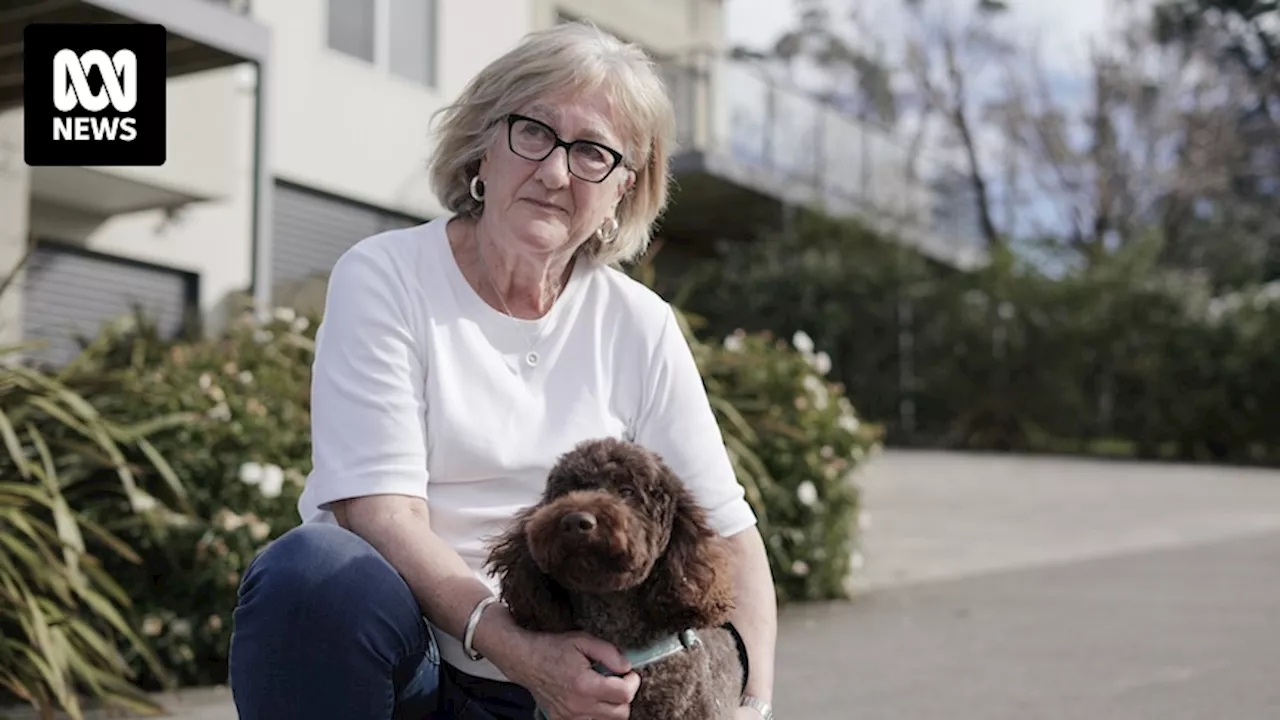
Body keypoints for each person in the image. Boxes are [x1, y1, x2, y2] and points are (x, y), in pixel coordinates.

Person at [228, 20, 777, 720]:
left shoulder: (639, 324)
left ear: (622, 192)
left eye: (592, 153)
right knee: (314, 575)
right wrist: (516, 649)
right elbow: (379, 514)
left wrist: (751, 706)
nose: (554, 172)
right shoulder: (387, 276)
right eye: (534, 133)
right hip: (419, 666)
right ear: (482, 146)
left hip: (588, 691)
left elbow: (729, 537)